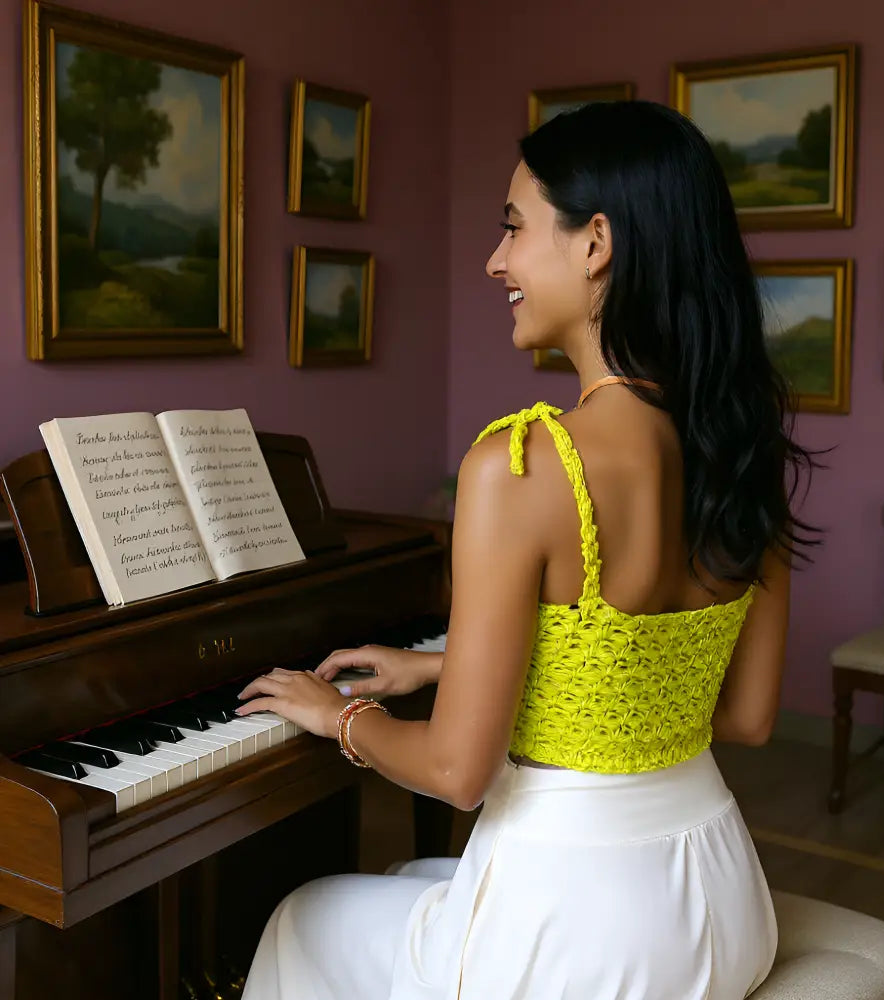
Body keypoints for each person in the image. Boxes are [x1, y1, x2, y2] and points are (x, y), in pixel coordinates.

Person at [236, 99, 819, 1000]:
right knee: (403, 888)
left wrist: (336, 716)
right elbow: (741, 717)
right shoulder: (741, 447)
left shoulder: (523, 462)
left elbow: (457, 774)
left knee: (300, 919)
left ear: (596, 243)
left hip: (581, 932)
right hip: (721, 904)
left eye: (513, 228)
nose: (495, 261)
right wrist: (438, 668)